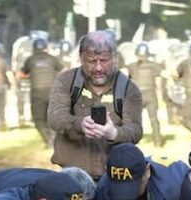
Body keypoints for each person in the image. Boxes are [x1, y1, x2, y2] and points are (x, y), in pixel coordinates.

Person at [47, 31, 143, 179]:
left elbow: (135, 130)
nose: (98, 68)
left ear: (115, 59)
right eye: (91, 61)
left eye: (104, 61)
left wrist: (114, 134)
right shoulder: (66, 81)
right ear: (81, 59)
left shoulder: (128, 88)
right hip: (72, 173)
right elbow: (55, 117)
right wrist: (79, 124)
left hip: (112, 174)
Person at [21, 37, 63, 146]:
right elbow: (62, 71)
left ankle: (48, 139)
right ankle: (53, 137)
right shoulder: (53, 59)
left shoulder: (30, 60)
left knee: (38, 119)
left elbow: (22, 74)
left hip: (37, 92)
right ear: (46, 47)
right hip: (52, 91)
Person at [125, 42, 164, 147]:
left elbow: (124, 76)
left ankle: (133, 140)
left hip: (137, 96)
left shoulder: (132, 66)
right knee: (154, 118)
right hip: (151, 95)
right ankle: (158, 141)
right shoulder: (154, 65)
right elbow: (165, 74)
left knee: (134, 120)